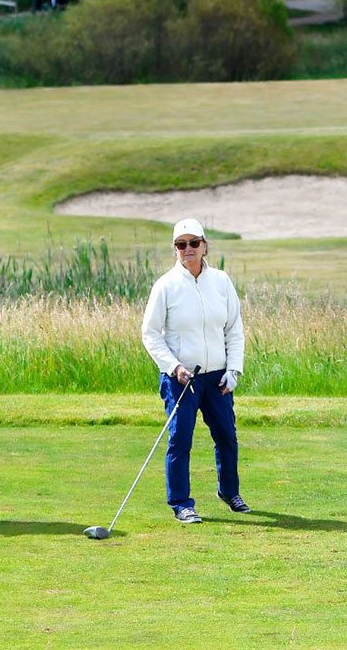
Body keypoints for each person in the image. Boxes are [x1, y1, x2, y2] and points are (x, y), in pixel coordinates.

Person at [141, 219, 248, 524]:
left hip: (217, 377)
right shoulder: (165, 286)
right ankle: (181, 503)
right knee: (181, 440)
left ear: (204, 245)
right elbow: (150, 334)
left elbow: (234, 329)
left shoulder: (221, 281)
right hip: (181, 378)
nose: (187, 250)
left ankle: (229, 492)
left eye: (193, 243)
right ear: (175, 249)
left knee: (227, 436)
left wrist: (234, 370)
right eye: (180, 245)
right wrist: (173, 366)